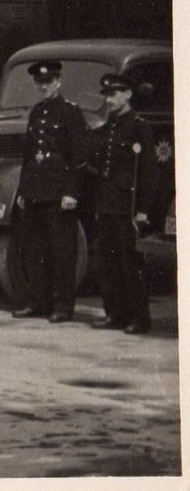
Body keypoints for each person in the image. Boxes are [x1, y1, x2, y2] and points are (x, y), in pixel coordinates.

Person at [12, 61, 88, 323]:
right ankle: (38, 302)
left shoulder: (70, 113)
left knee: (61, 252)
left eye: (49, 82)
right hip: (35, 189)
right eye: (39, 83)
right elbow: (28, 155)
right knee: (35, 250)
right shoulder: (36, 113)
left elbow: (78, 157)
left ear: (59, 82)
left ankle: (63, 307)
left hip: (58, 192)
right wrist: (22, 190)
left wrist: (71, 192)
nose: (44, 87)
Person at [89, 73, 157, 335]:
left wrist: (143, 210)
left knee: (130, 264)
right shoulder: (110, 126)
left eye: (115, 93)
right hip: (107, 203)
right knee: (108, 262)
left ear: (128, 94)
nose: (110, 99)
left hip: (127, 206)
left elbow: (149, 172)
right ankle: (114, 313)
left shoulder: (139, 126)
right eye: (106, 95)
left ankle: (139, 317)